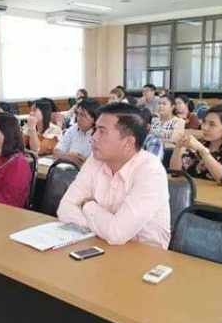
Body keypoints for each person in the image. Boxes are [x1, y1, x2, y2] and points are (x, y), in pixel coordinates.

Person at [57, 102, 171, 249]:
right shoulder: (95, 160)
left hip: (144, 255)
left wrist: (87, 205)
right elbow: (64, 209)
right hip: (101, 245)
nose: (94, 137)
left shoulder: (151, 172)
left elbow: (116, 233)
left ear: (128, 142)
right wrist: (105, 229)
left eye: (102, 131)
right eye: (95, 129)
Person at [170, 104, 222, 184]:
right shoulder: (201, 143)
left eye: (212, 124)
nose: (204, 127)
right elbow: (175, 173)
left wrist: (202, 150)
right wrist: (178, 146)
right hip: (197, 189)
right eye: (204, 122)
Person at [54, 99, 100, 167]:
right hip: (70, 169)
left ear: (93, 119)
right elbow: (56, 152)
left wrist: (87, 160)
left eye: (83, 115)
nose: (78, 118)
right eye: (78, 114)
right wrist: (69, 156)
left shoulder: (100, 134)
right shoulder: (73, 129)